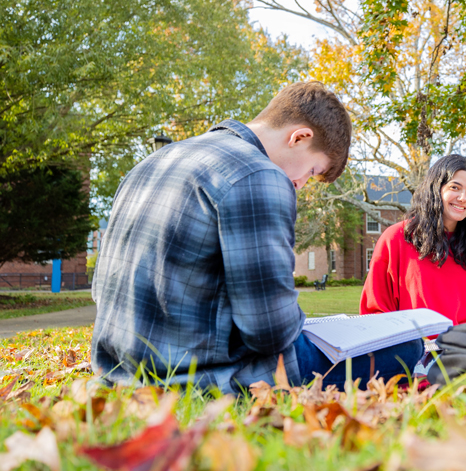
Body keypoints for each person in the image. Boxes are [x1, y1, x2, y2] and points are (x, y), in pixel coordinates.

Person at [91, 82, 423, 394]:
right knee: (407, 346)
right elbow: (269, 333)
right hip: (199, 376)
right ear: (300, 137)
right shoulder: (259, 174)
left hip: (118, 369)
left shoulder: (153, 162)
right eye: (311, 172)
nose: (301, 184)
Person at [360, 154, 466, 325]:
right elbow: (375, 310)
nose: (463, 198)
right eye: (455, 187)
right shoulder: (396, 238)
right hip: (416, 349)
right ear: (435, 189)